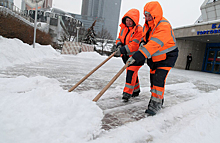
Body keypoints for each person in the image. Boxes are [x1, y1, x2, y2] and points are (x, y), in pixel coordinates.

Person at [127, 1, 179, 115]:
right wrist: (141, 43)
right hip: (155, 58)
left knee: (158, 79)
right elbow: (145, 39)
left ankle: (155, 105)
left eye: (149, 15)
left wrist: (138, 55)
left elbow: (154, 44)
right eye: (145, 15)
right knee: (153, 80)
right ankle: (159, 99)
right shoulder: (147, 25)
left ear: (156, 14)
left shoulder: (164, 25)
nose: (147, 17)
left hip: (167, 57)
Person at [115, 9, 143, 102]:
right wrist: (118, 45)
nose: (129, 22)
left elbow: (134, 45)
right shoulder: (123, 28)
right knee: (133, 73)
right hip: (126, 56)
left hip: (137, 56)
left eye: (131, 20)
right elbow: (119, 38)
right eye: (127, 20)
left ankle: (127, 93)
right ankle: (136, 90)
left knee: (130, 72)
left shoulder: (139, 30)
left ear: (135, 20)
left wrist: (122, 50)